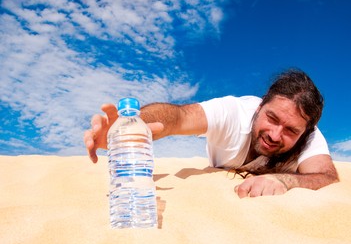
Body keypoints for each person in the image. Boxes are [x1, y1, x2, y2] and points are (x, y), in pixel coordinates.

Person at [84, 68, 339, 198]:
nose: (275, 134)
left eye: (290, 131)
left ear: (304, 133)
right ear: (260, 107)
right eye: (271, 118)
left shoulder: (309, 136)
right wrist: (132, 126)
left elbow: (325, 176)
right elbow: (178, 117)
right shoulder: (233, 112)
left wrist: (286, 180)